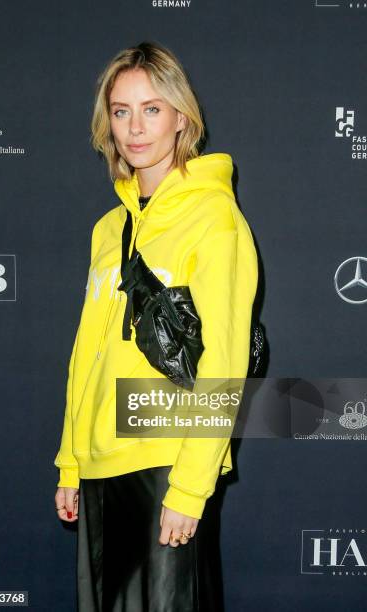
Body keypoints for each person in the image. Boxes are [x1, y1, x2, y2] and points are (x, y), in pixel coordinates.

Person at [54, 41, 258, 611]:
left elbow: (223, 359)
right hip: (100, 463)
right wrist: (72, 461)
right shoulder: (106, 230)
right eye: (121, 111)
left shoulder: (213, 215)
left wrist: (191, 488)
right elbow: (85, 354)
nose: (135, 127)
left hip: (166, 461)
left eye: (152, 109)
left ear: (181, 119)